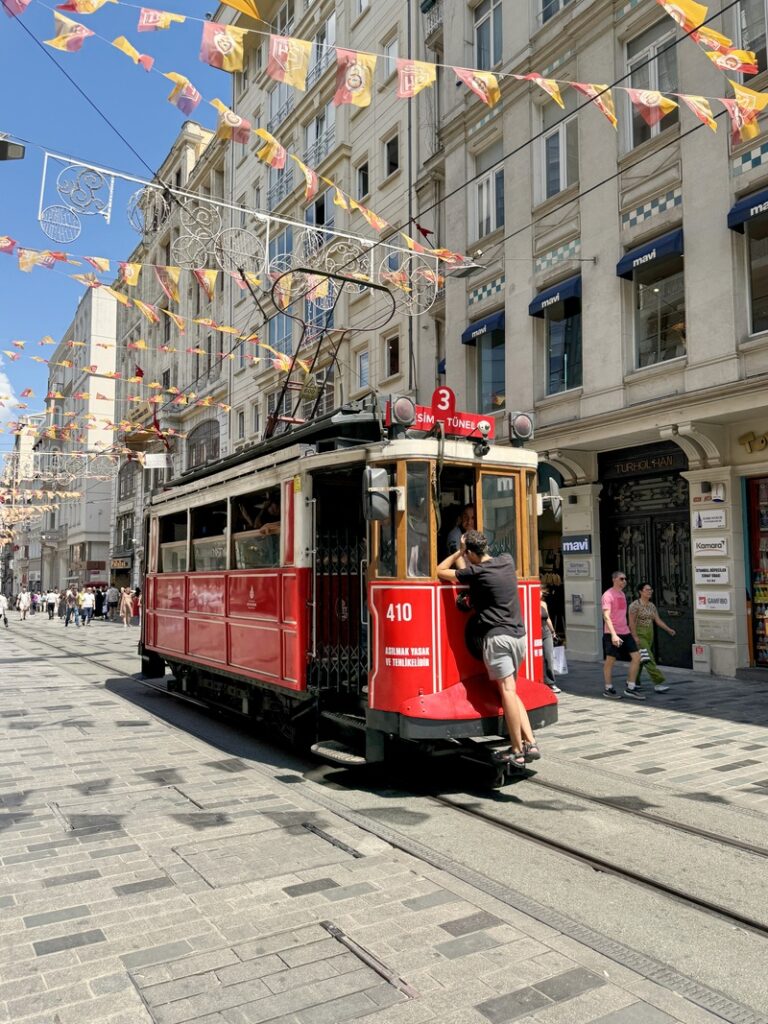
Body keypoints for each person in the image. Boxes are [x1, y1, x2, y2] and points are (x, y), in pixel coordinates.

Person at [437, 529, 539, 768]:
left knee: (507, 692)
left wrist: (457, 552)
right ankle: (531, 743)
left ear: (470, 553)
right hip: (519, 636)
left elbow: (440, 571)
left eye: (467, 553)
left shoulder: (476, 572)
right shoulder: (506, 561)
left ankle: (516, 749)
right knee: (513, 691)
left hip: (498, 638)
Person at [602, 570, 642, 699]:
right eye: (621, 579)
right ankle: (608, 688)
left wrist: (632, 632)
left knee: (636, 657)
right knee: (610, 661)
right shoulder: (607, 595)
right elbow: (606, 616)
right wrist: (613, 635)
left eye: (625, 579)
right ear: (614, 579)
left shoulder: (622, 594)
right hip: (612, 633)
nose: (624, 581)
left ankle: (630, 687)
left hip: (625, 631)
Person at [629, 583, 676, 694]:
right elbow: (631, 622)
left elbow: (657, 620)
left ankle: (633, 681)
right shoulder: (634, 605)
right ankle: (658, 682)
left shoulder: (651, 605)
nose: (650, 591)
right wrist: (635, 636)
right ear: (640, 591)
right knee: (648, 658)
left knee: (641, 659)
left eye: (651, 589)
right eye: (647, 590)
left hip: (649, 634)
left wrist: (668, 629)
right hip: (640, 634)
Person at [541, 588, 561, 694]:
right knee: (538, 659)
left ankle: (550, 682)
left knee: (549, 657)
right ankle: (539, 681)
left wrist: (553, 632)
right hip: (535, 632)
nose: (541, 593)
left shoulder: (543, 603)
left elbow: (547, 618)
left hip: (546, 631)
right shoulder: (530, 601)